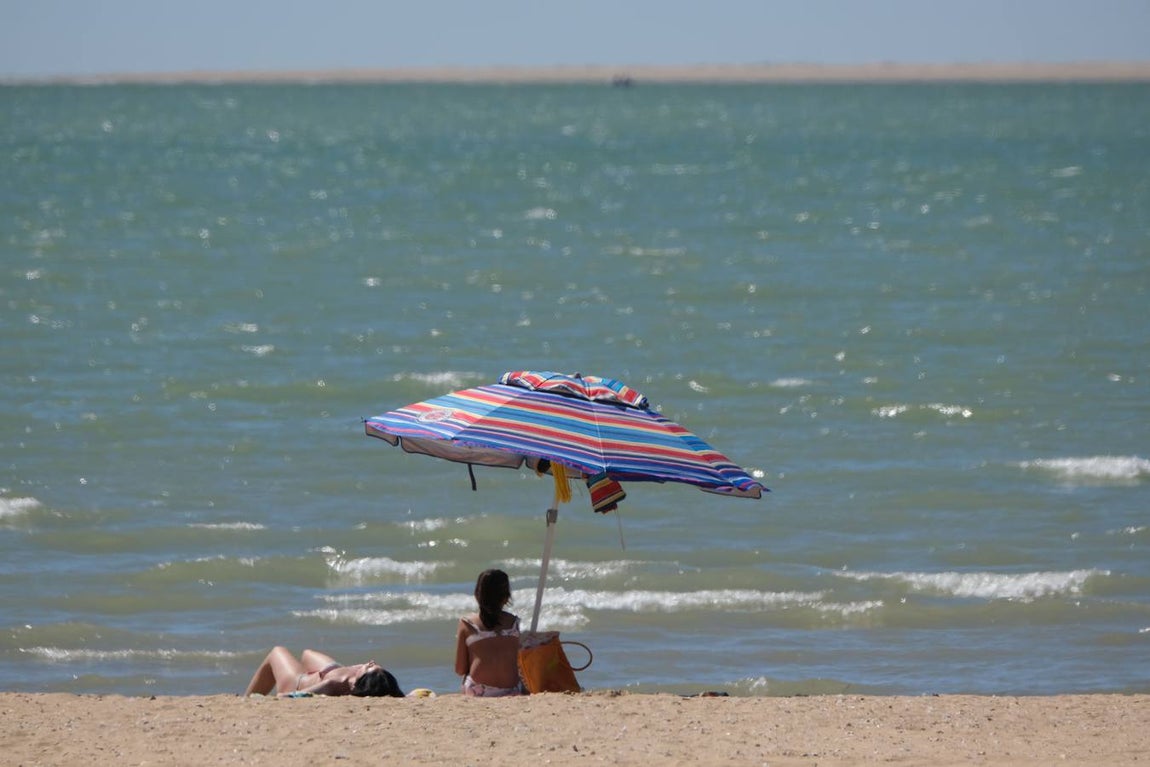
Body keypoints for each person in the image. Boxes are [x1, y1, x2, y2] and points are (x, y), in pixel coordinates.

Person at [455, 568, 525, 697]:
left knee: (466, 676)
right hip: (512, 689)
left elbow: (460, 669)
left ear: (478, 594)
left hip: (479, 690)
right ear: (506, 596)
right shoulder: (513, 623)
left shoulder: (467, 624)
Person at [244, 646, 404, 697]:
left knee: (277, 652)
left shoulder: (333, 684)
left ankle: (246, 700)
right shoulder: (379, 685)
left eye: (369, 667)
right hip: (331, 670)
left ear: (359, 681)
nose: (371, 662)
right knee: (307, 653)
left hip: (299, 682)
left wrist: (283, 696)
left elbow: (294, 696)